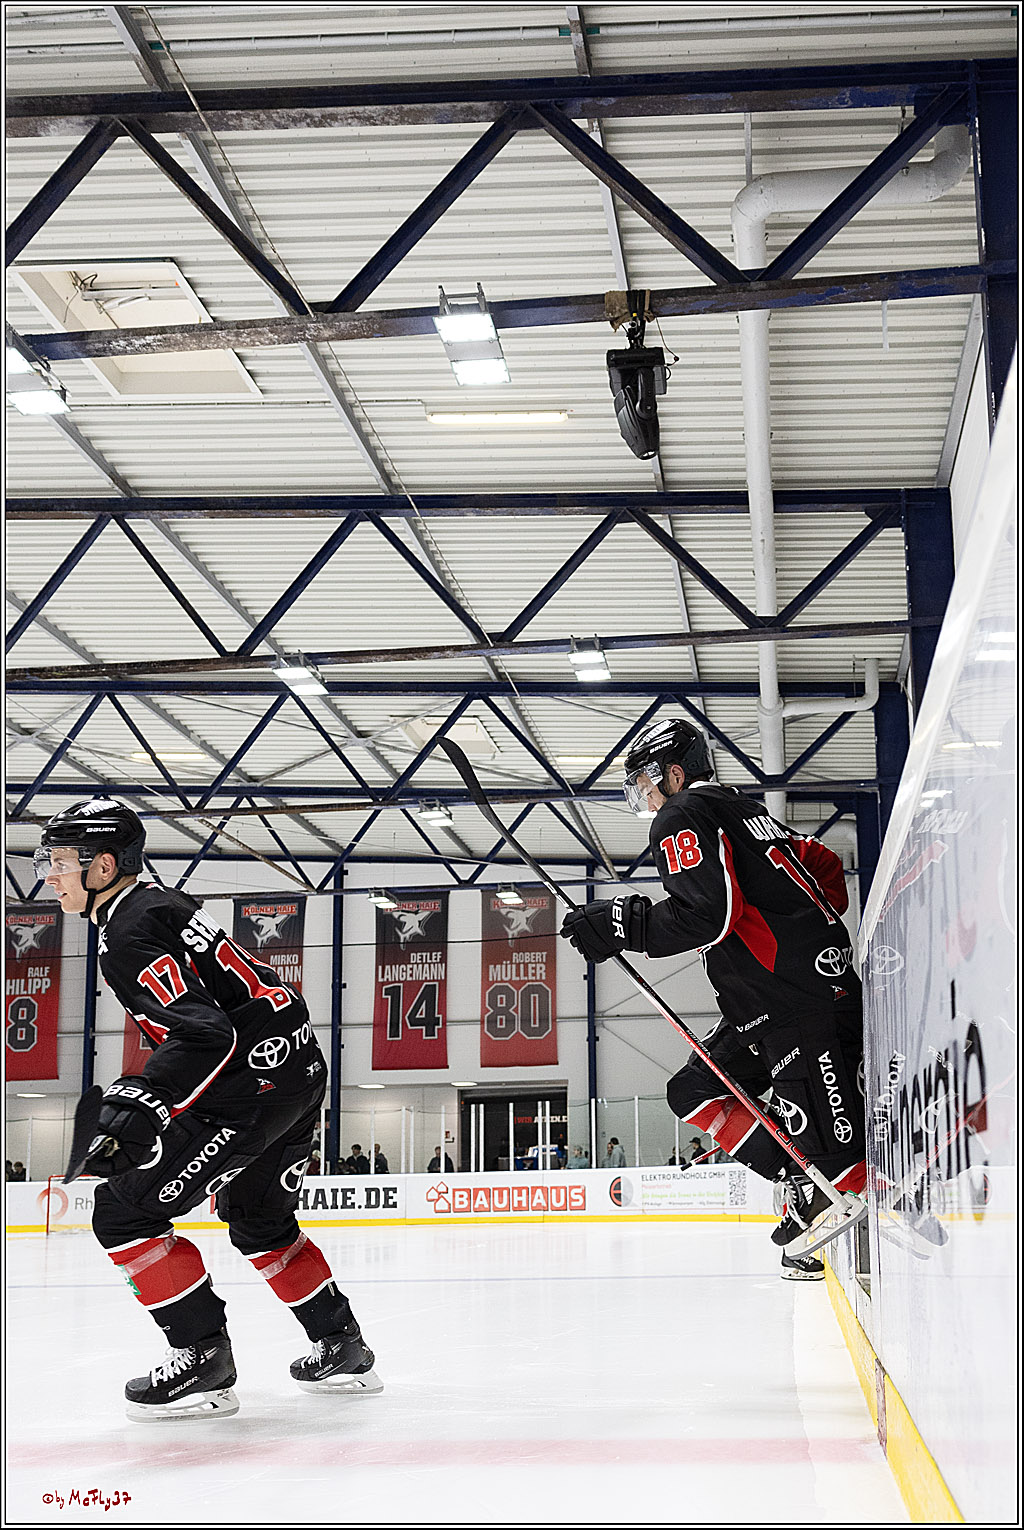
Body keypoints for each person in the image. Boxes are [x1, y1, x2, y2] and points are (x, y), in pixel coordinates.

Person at [36, 797, 381, 1420]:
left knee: (122, 1214)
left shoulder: (129, 932)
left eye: (61, 861)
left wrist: (143, 1101)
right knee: (257, 1216)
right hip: (296, 1071)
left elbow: (204, 1032)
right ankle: (342, 1345)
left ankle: (202, 1359)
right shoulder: (163, 903)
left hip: (249, 1089)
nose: (49, 874)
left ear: (104, 865)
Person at [560, 719, 866, 1283]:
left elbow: (708, 915)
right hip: (795, 996)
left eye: (647, 781)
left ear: (675, 774)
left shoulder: (681, 815)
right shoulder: (748, 811)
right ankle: (802, 1173)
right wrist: (804, 928)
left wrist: (622, 925)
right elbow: (823, 866)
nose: (646, 796)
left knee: (845, 1175)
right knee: (693, 1089)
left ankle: (822, 1176)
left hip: (792, 1004)